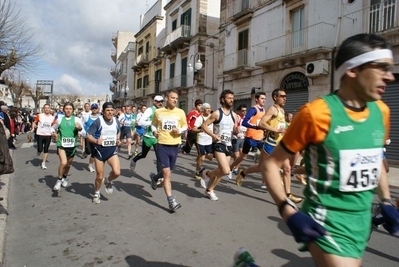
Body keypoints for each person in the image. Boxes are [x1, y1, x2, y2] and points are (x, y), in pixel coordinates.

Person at [261, 33, 399, 266]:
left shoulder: (382, 112)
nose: (390, 76)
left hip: (361, 220)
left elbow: (376, 161)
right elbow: (270, 164)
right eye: (380, 68)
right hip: (327, 219)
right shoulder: (315, 114)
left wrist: (385, 200)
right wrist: (287, 209)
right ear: (352, 69)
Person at [257, 89, 302, 203]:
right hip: (270, 144)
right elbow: (261, 123)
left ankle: (288, 194)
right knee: (261, 167)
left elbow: (280, 126)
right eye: (282, 96)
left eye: (285, 96)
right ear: (275, 97)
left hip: (280, 145)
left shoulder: (282, 110)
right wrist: (276, 130)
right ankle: (243, 173)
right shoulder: (272, 109)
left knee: (287, 169)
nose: (285, 98)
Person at [149, 90, 187, 212]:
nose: (175, 100)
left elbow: (185, 126)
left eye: (176, 98)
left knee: (169, 171)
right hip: (162, 145)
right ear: (166, 98)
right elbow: (153, 124)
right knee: (167, 175)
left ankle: (155, 178)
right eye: (172, 98)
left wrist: (180, 130)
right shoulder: (159, 112)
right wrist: (154, 131)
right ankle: (171, 201)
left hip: (175, 145)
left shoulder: (180, 112)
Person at [199, 90, 238, 201]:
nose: (231, 100)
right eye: (229, 98)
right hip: (218, 144)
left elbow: (233, 130)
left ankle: (209, 190)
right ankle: (206, 173)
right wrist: (213, 135)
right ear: (222, 99)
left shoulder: (234, 115)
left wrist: (236, 131)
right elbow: (204, 125)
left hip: (228, 144)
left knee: (221, 172)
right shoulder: (217, 113)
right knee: (226, 170)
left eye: (232, 98)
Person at [86, 102, 122, 204]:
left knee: (117, 172)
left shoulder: (116, 121)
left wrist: (118, 139)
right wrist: (96, 141)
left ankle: (108, 180)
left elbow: (118, 131)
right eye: (107, 110)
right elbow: (88, 135)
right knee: (99, 176)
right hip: (100, 151)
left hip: (111, 150)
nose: (110, 112)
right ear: (103, 112)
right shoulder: (98, 121)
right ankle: (97, 193)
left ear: (114, 111)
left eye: (111, 110)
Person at [231, 92, 266, 186]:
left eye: (265, 99)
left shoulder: (264, 110)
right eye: (262, 98)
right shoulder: (253, 110)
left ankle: (264, 179)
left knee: (267, 158)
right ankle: (230, 168)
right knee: (243, 156)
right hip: (250, 137)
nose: (264, 100)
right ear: (256, 99)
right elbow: (245, 123)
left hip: (260, 138)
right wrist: (256, 127)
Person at [130, 96, 164, 181]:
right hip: (148, 137)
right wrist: (152, 122)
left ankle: (158, 178)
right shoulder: (150, 110)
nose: (160, 103)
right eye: (158, 101)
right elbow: (141, 122)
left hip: (157, 137)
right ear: (154, 102)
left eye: (162, 101)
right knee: (143, 155)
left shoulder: (163, 111)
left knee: (159, 157)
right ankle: (134, 160)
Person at [51, 103, 84, 191]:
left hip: (72, 146)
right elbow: (52, 128)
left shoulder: (77, 119)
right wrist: (54, 133)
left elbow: (83, 132)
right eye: (66, 108)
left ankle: (65, 177)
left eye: (70, 109)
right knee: (63, 163)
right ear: (64, 110)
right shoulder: (60, 119)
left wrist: (79, 128)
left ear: (73, 110)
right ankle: (59, 180)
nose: (68, 110)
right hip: (61, 144)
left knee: (68, 164)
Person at [191, 103, 213, 179]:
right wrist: (200, 130)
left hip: (209, 141)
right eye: (207, 108)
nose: (209, 110)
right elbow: (193, 129)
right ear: (203, 110)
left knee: (210, 157)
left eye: (210, 108)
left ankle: (199, 157)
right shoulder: (200, 118)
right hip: (201, 140)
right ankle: (197, 172)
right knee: (203, 158)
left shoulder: (212, 117)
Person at [31, 104, 55, 169]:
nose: (47, 109)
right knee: (40, 149)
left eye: (48, 108)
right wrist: (33, 128)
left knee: (46, 149)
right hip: (40, 134)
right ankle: (39, 151)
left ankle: (43, 163)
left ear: (50, 109)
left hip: (48, 135)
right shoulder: (39, 116)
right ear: (43, 109)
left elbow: (54, 126)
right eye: (45, 108)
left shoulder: (52, 118)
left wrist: (54, 132)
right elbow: (34, 122)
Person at [228, 105, 247, 179]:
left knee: (242, 156)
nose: (244, 112)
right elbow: (234, 128)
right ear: (238, 111)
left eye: (245, 110)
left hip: (243, 138)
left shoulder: (246, 118)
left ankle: (235, 169)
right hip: (236, 138)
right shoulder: (237, 118)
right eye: (242, 110)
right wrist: (237, 133)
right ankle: (230, 163)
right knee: (237, 156)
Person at [82, 103, 101, 172]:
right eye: (93, 108)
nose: (94, 110)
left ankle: (90, 165)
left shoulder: (100, 118)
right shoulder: (87, 117)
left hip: (96, 138)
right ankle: (86, 152)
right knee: (89, 151)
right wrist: (83, 133)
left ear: (98, 109)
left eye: (95, 108)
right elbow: (82, 125)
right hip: (88, 137)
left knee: (94, 153)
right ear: (91, 109)